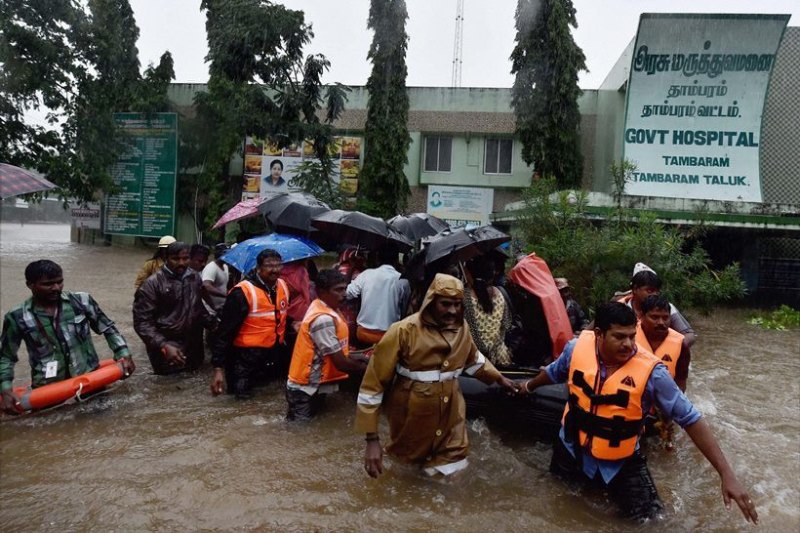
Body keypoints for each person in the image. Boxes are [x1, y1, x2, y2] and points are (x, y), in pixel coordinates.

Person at [518, 302, 758, 523]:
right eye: (619, 337)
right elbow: (553, 372)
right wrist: (527, 386)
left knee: (652, 523)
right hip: (570, 447)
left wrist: (726, 473)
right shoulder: (576, 349)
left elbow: (691, 418)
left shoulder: (653, 372)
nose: (629, 344)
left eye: (632, 337)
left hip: (621, 461)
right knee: (557, 501)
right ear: (599, 334)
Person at [357, 274, 519, 478]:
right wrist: (372, 440)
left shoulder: (462, 329)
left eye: (457, 304)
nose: (452, 310)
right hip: (411, 414)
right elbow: (373, 385)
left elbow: (473, 358)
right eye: (445, 304)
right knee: (406, 470)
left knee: (455, 469)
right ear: (432, 302)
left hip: (452, 411)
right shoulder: (403, 331)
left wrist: (498, 378)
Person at [1, 260, 135, 413]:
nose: (56, 288)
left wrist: (123, 354)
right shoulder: (17, 316)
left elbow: (108, 328)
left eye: (60, 282)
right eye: (48, 284)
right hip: (48, 390)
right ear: (30, 284)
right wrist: (5, 389)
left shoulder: (81, 301)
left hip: (90, 381)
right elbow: (6, 357)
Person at [285, 269, 368, 421]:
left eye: (345, 288)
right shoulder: (323, 319)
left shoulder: (328, 308)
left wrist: (361, 356)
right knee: (299, 432)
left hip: (314, 384)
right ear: (322, 292)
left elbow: (338, 351)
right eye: (338, 290)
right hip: (304, 389)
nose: (344, 294)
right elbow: (341, 363)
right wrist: (370, 367)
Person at [210, 249, 289, 399]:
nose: (275, 270)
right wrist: (218, 368)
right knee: (241, 401)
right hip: (243, 360)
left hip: (271, 355)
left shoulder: (283, 286)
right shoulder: (242, 292)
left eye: (278, 265)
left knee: (268, 396)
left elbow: (279, 316)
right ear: (258, 268)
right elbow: (224, 333)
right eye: (269, 266)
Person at [133, 242, 215, 375]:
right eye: (176, 259)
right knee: (168, 386)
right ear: (166, 258)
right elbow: (142, 323)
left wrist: (214, 324)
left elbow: (198, 308)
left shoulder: (194, 278)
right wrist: (163, 345)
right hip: (167, 349)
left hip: (194, 346)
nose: (181, 263)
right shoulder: (151, 285)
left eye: (185, 258)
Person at [617, 263, 696, 347]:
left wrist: (676, 347)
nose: (654, 295)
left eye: (657, 292)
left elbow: (689, 334)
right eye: (650, 291)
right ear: (635, 289)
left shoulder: (667, 307)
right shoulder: (620, 308)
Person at [346, 249, 410, 346]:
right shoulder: (402, 280)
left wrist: (353, 267)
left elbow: (347, 293)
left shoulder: (366, 275)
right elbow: (405, 308)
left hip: (363, 334)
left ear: (377, 259)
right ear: (397, 260)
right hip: (389, 336)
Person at [462, 257, 513, 366]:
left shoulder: (464, 296)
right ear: (492, 274)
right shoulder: (501, 294)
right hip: (500, 360)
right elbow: (507, 324)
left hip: (472, 362)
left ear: (471, 274)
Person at [637, 295, 690, 392]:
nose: (661, 322)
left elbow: (681, 383)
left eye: (665, 318)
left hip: (663, 400)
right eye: (654, 317)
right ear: (641, 316)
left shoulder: (681, 344)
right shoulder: (628, 337)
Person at [201, 243, 231, 316]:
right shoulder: (212, 268)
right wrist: (224, 295)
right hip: (210, 310)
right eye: (225, 254)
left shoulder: (225, 267)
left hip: (220, 309)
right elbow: (206, 286)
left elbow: (222, 286)